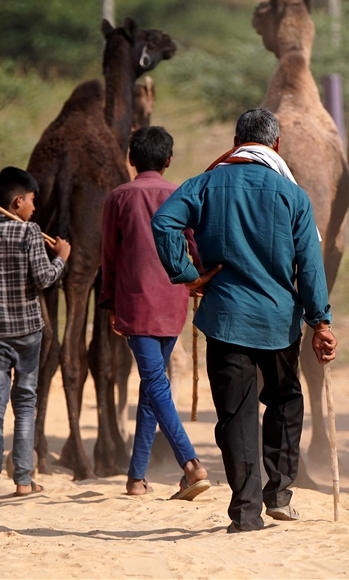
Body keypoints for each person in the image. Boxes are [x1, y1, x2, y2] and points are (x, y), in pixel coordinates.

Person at [153, 107, 338, 533]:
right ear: (276, 145)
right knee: (286, 402)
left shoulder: (205, 183)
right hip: (278, 321)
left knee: (236, 415)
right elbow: (310, 266)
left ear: (236, 142)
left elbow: (164, 222)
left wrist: (187, 277)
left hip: (226, 318)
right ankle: (279, 493)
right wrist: (321, 322)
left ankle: (246, 512)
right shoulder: (292, 195)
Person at [100, 125, 212, 500]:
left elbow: (110, 258)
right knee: (153, 386)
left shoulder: (118, 197)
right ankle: (136, 478)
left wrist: (110, 304)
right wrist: (199, 280)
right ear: (168, 160)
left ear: (131, 160)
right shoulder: (180, 194)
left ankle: (191, 464)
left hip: (135, 303)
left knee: (155, 385)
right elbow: (194, 247)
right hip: (172, 303)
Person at [0, 167, 71, 505]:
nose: (34, 208)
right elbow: (43, 280)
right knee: (25, 404)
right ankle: (24, 480)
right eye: (31, 201)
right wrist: (62, 259)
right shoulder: (30, 233)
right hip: (27, 332)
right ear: (17, 201)